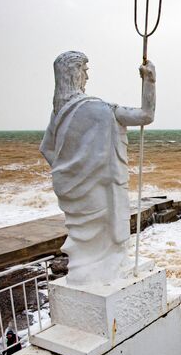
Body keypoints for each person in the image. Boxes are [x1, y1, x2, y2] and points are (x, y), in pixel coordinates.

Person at [40, 51, 156, 286]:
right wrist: (150, 81)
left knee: (85, 240)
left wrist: (68, 171)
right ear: (74, 74)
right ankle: (103, 272)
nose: (87, 77)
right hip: (99, 188)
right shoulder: (100, 109)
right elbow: (146, 115)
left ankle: (85, 274)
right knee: (106, 238)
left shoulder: (59, 114)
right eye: (84, 71)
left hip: (71, 189)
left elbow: (46, 149)